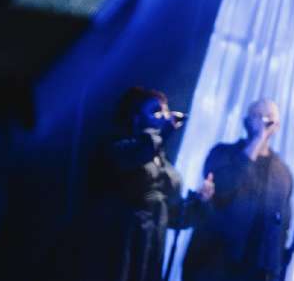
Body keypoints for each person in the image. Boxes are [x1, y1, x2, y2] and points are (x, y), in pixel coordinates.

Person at [88, 86, 213, 281]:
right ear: (135, 117)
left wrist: (199, 200)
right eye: (156, 111)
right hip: (121, 240)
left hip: (150, 246)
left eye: (165, 111)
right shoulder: (118, 146)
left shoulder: (162, 161)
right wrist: (161, 134)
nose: (164, 116)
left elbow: (174, 216)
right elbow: (135, 158)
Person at [183, 99, 294, 281]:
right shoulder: (222, 153)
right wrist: (257, 140)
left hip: (255, 270)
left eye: (269, 117)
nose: (263, 121)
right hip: (214, 263)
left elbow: (282, 226)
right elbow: (224, 187)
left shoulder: (282, 172)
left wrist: (275, 270)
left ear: (277, 126)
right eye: (257, 116)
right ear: (246, 121)